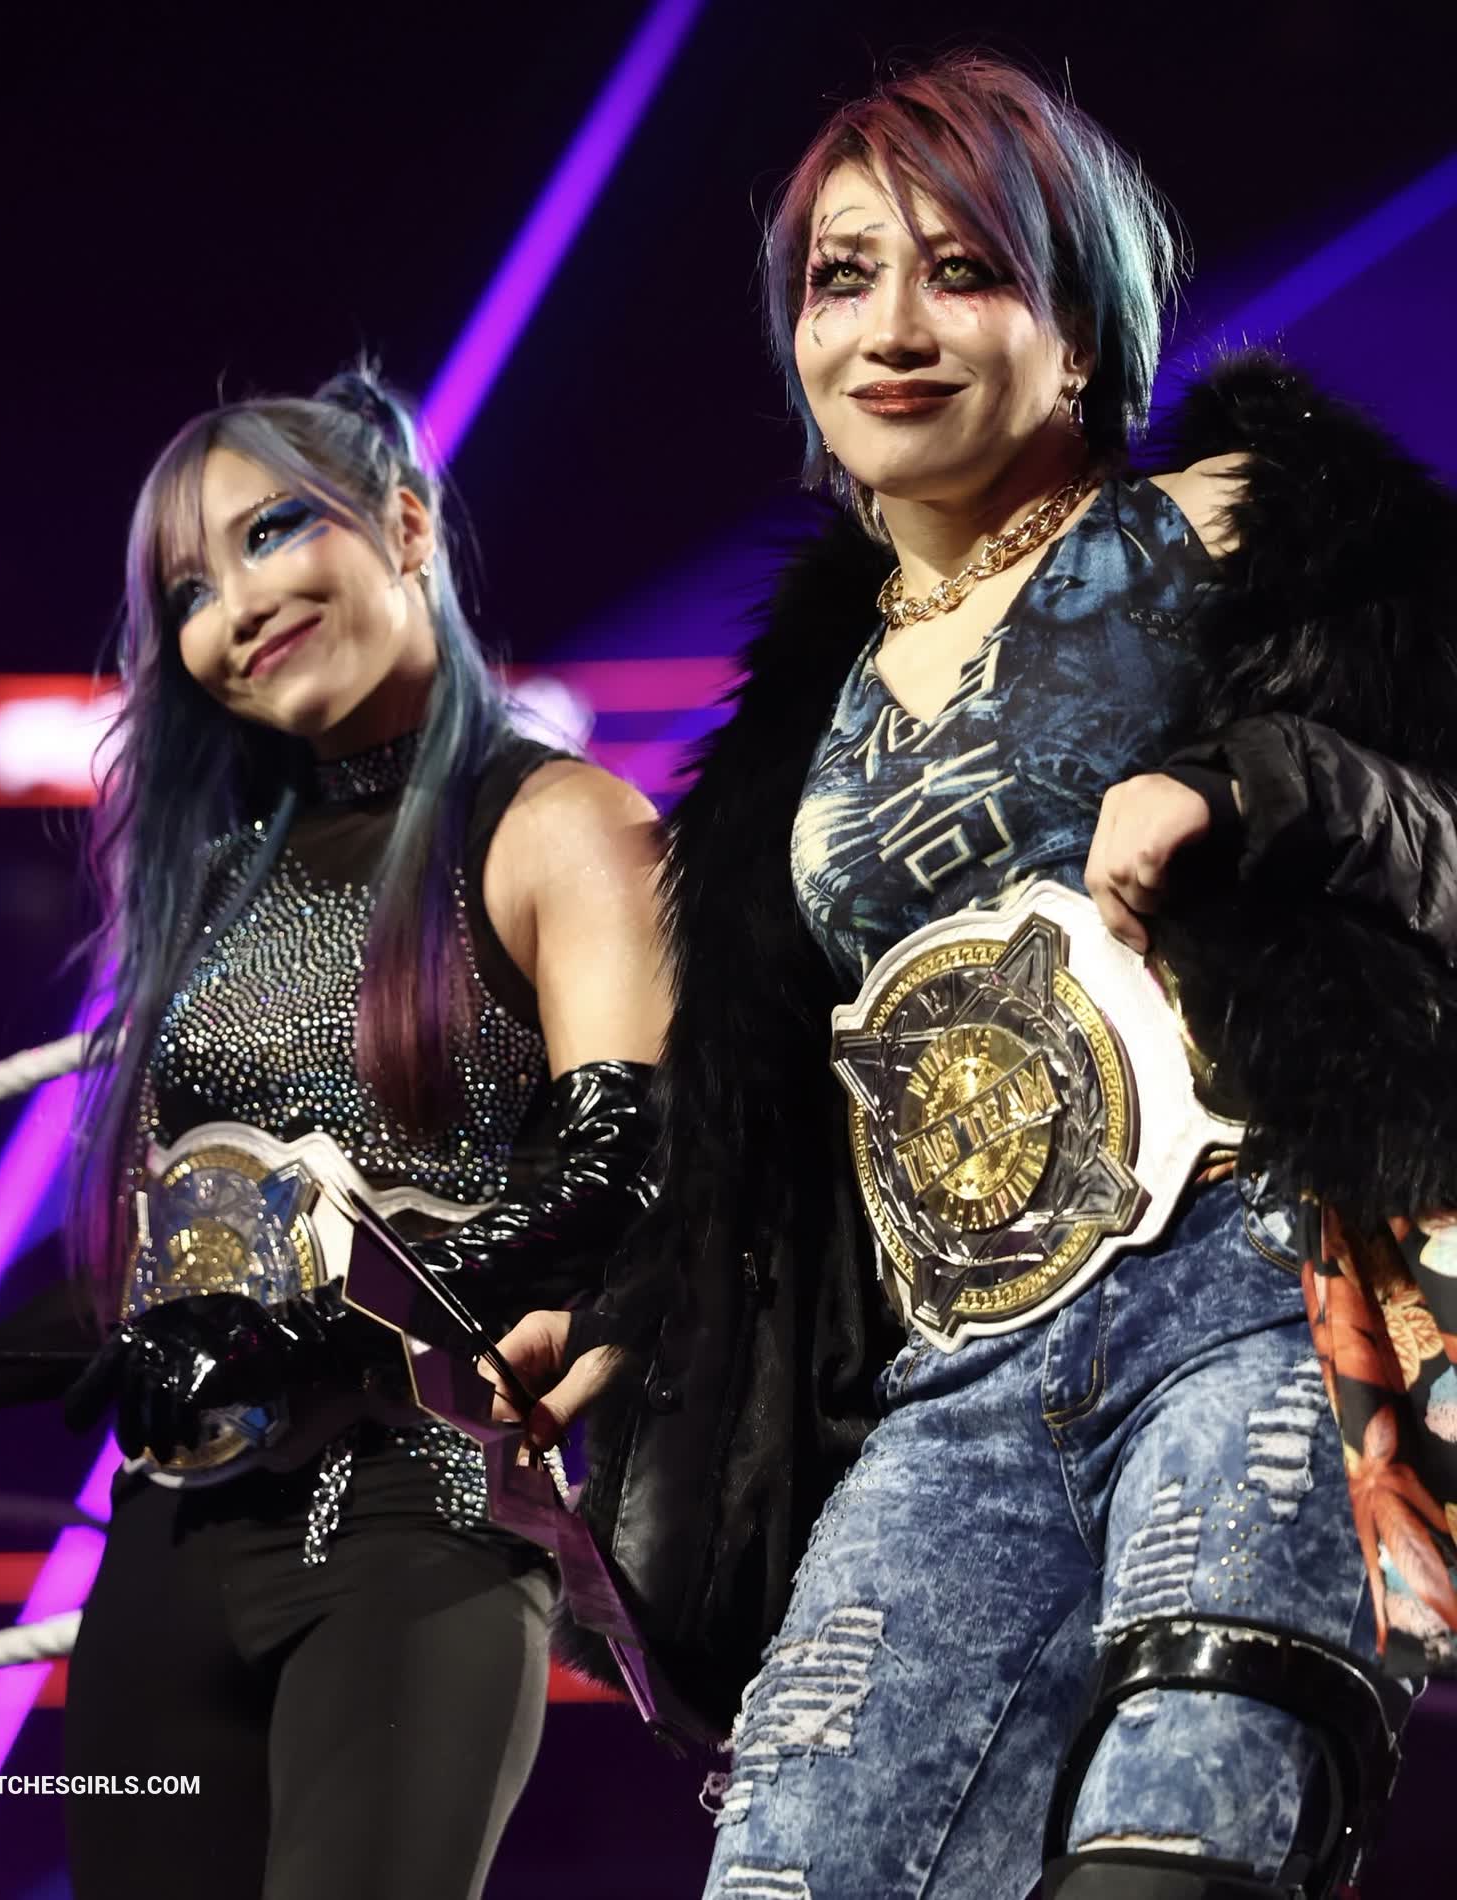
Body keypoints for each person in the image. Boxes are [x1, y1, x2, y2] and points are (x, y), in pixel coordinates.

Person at [494, 52, 1457, 1900]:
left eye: (964, 270)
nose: (894, 328)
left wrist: (1253, 781)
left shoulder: (1242, 526)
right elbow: (768, 1141)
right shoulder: (795, 730)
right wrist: (635, 1313)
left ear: (1077, 328)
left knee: (1176, 1848)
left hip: (1256, 1293)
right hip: (955, 1382)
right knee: (790, 1868)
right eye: (843, 278)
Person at [0, 367, 667, 1900]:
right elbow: (159, 1287)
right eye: (191, 592)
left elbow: (615, 1182)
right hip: (170, 1549)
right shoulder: (215, 891)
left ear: (406, 525)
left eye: (273, 531)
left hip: (419, 1519)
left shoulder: (560, 824)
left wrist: (290, 1328)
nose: (239, 608)